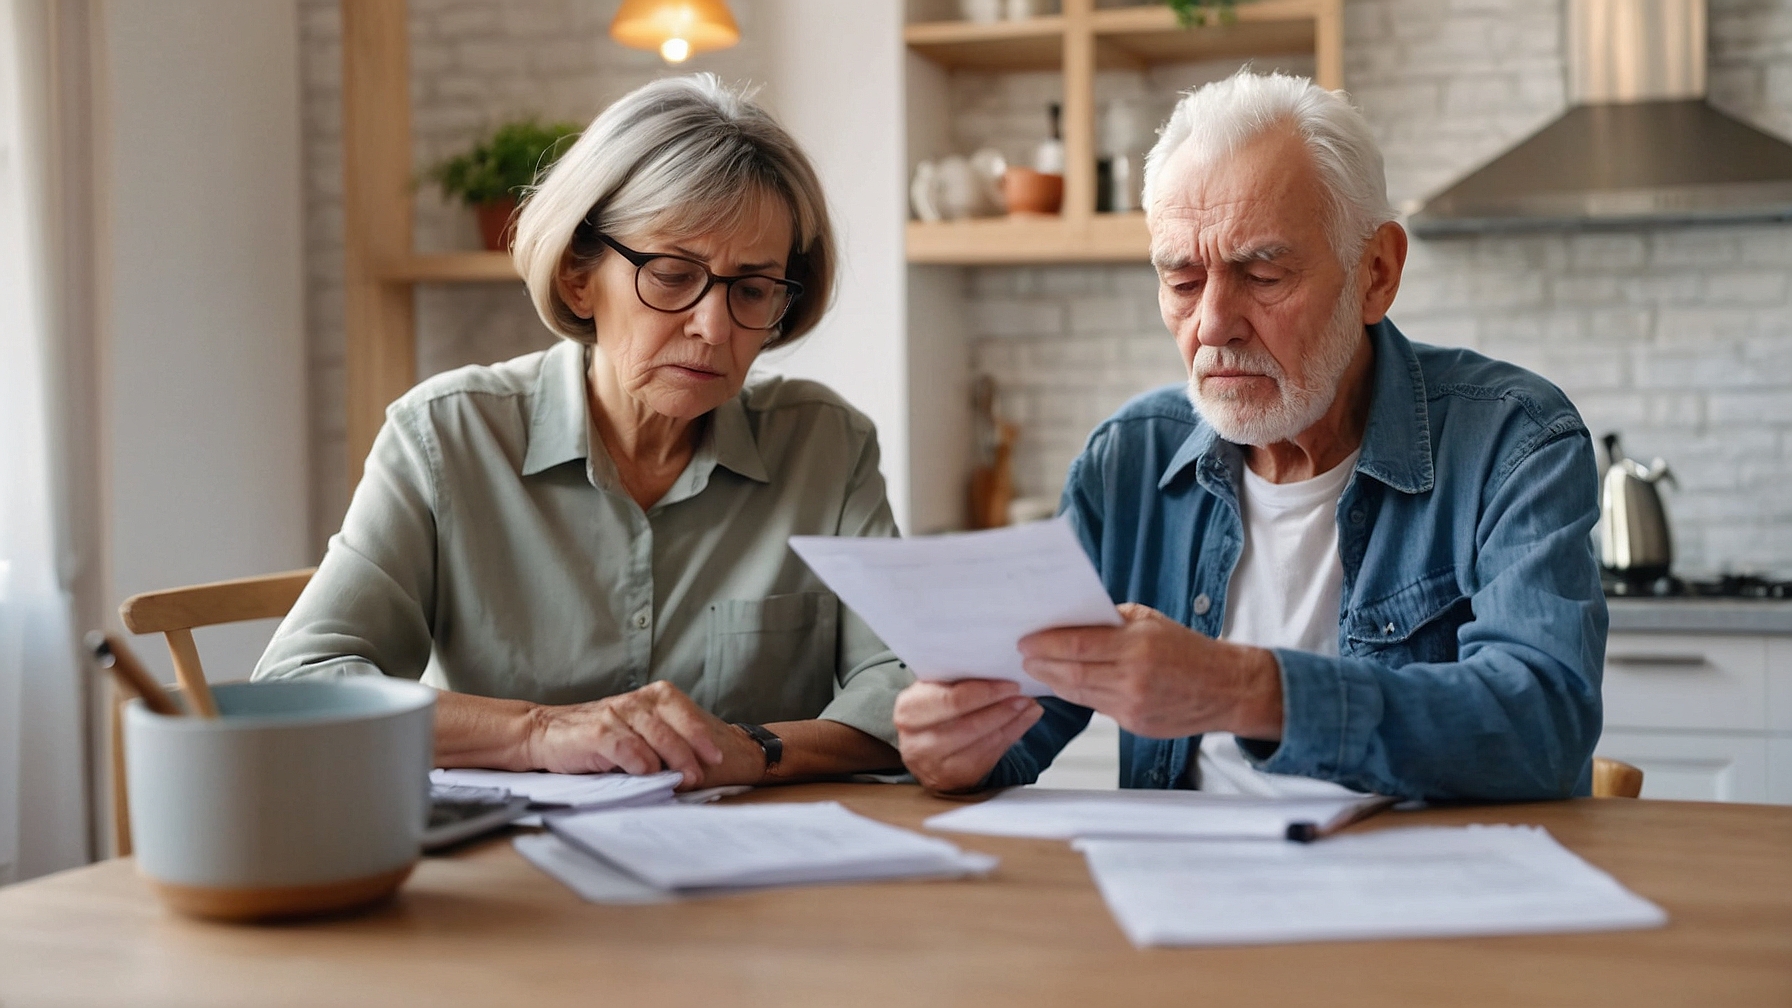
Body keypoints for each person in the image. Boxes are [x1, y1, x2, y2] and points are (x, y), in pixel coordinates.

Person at [894, 71, 1606, 801]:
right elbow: (1021, 719)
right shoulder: (1128, 461)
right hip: (1180, 900)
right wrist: (953, 744)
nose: (1211, 325)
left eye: (1263, 274)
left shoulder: (1513, 441)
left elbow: (1542, 722)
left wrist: (1244, 688)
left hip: (1420, 895)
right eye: (1181, 280)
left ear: (1377, 273)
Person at [256, 75, 909, 789]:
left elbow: (902, 684)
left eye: (752, 290)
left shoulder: (830, 446)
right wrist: (539, 731)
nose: (714, 328)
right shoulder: (445, 437)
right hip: (511, 878)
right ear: (577, 276)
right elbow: (299, 685)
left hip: (765, 870)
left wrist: (755, 748)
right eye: (671, 275)